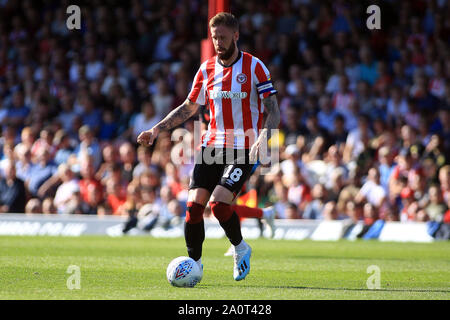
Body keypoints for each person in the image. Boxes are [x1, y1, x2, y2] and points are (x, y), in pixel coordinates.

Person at [137, 12, 280, 282]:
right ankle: (195, 265)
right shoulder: (206, 69)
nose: (218, 42)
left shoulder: (254, 67)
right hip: (212, 147)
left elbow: (273, 109)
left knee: (218, 205)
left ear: (236, 36)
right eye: (215, 37)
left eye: (223, 37)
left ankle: (240, 248)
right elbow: (189, 107)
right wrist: (157, 128)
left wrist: (265, 136)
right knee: (192, 209)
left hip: (244, 147)